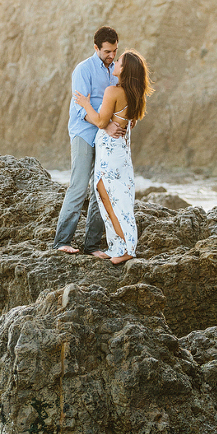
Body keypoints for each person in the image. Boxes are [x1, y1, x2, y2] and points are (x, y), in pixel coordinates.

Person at [72, 49, 154, 266]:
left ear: (125, 69)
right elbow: (130, 121)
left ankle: (127, 248)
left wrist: (84, 103)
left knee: (113, 199)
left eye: (119, 60)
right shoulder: (133, 93)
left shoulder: (114, 91)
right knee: (107, 195)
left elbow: (100, 121)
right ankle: (117, 245)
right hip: (118, 151)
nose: (115, 62)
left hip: (110, 152)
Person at [54, 26, 122, 256]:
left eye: (114, 50)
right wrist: (104, 123)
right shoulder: (83, 70)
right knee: (79, 185)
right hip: (84, 132)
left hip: (106, 136)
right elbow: (79, 109)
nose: (111, 55)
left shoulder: (116, 70)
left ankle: (91, 245)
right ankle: (61, 241)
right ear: (96, 48)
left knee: (100, 189)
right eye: (107, 51)